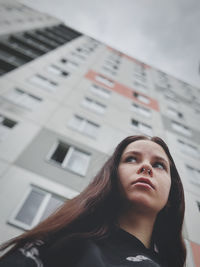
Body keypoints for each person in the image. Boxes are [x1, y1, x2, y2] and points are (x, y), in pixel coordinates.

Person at [0, 135, 186, 267]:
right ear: (112, 177)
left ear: (171, 194)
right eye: (131, 159)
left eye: (159, 165)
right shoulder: (60, 244)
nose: (146, 166)